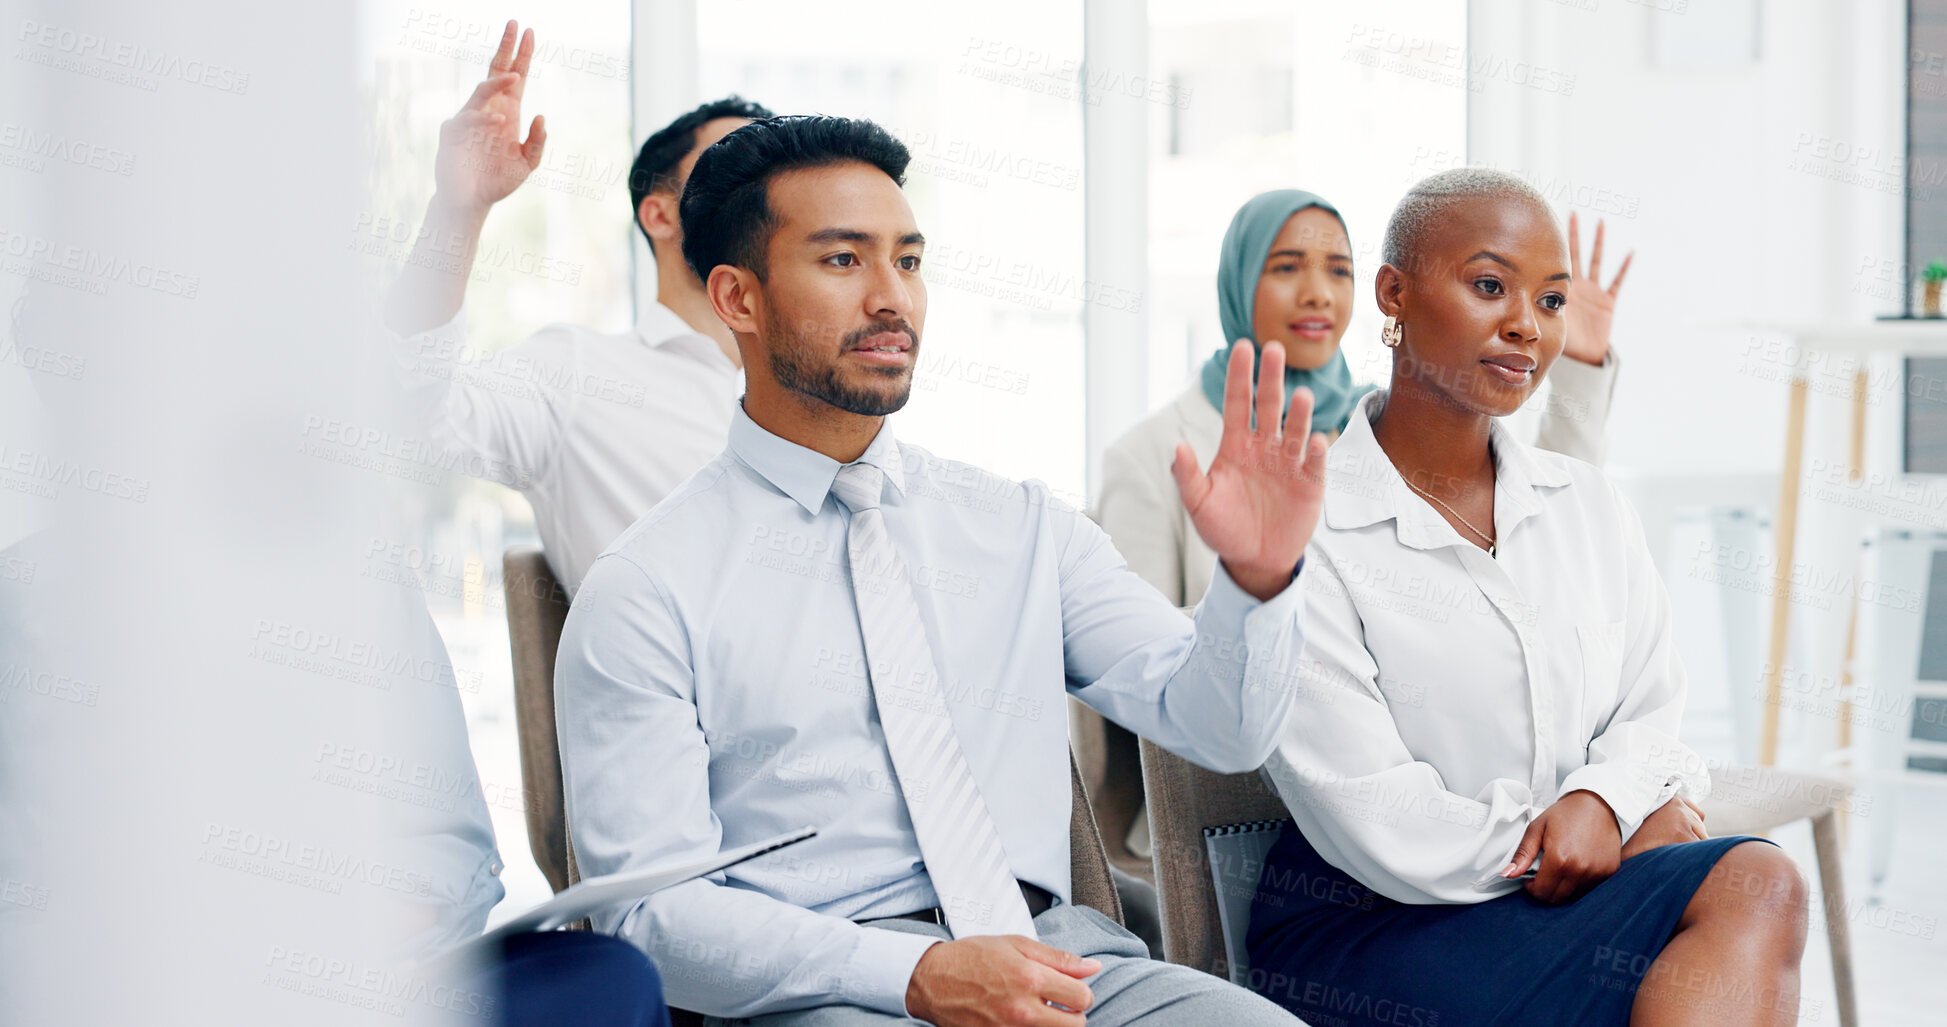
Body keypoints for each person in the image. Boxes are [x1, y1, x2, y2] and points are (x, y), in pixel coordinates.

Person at [555, 114, 1324, 1025]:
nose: (893, 298)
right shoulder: (648, 586)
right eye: (844, 261)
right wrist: (914, 970)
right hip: (822, 990)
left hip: (1067, 967)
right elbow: (647, 917)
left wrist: (1255, 583)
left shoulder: (1024, 527)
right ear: (736, 298)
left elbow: (1222, 730)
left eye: (909, 261)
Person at [1245, 169, 1808, 1027]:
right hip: (1374, 927)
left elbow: (1650, 711)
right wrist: (1599, 832)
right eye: (1487, 286)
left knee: (1752, 891)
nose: (1524, 324)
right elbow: (1376, 808)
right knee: (1751, 886)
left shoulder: (1585, 503)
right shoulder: (1306, 525)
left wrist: (1599, 803)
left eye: (1549, 300)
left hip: (1558, 898)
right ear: (1392, 293)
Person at [382, 19, 775, 593]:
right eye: (735, 171)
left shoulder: (813, 379)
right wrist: (457, 211)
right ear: (661, 214)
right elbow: (409, 403)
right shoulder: (576, 376)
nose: (764, 194)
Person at [1098, 188, 1629, 613]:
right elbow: (1132, 673)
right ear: (1238, 280)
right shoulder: (1148, 455)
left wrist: (1580, 370)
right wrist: (1257, 589)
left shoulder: (1389, 425)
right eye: (1286, 267)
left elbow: (1537, 521)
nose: (1318, 294)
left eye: (1338, 270)